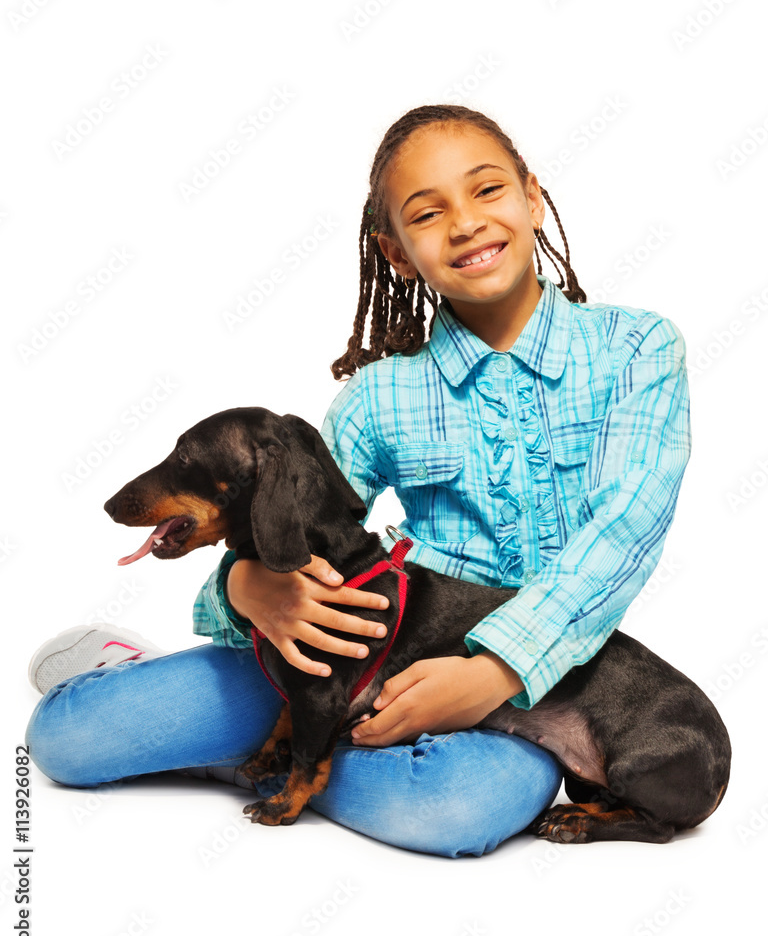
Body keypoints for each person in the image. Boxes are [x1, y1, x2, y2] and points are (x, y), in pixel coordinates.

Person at [26, 104, 691, 858]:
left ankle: (262, 759)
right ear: (396, 252)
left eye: (487, 191)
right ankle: (171, 695)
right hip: (346, 663)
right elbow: (294, 524)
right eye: (427, 212)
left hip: (534, 693)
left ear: (532, 197)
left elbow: (622, 535)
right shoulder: (379, 399)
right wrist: (244, 588)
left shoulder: (637, 348)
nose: (466, 223)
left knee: (456, 807)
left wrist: (498, 669)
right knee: (67, 740)